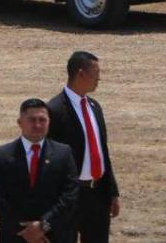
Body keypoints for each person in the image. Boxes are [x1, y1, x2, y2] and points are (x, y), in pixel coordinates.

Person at [48, 52, 120, 242]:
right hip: (68, 197)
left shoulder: (94, 107)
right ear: (80, 74)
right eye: (96, 72)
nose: (99, 78)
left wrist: (112, 192)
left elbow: (102, 150)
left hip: (97, 194)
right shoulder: (54, 110)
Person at [0, 98, 79, 243]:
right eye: (32, 120)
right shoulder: (2, 155)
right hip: (15, 236)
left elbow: (70, 195)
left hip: (55, 235)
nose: (37, 125)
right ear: (20, 123)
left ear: (49, 122)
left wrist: (43, 226)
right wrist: (26, 231)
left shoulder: (64, 154)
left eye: (42, 120)